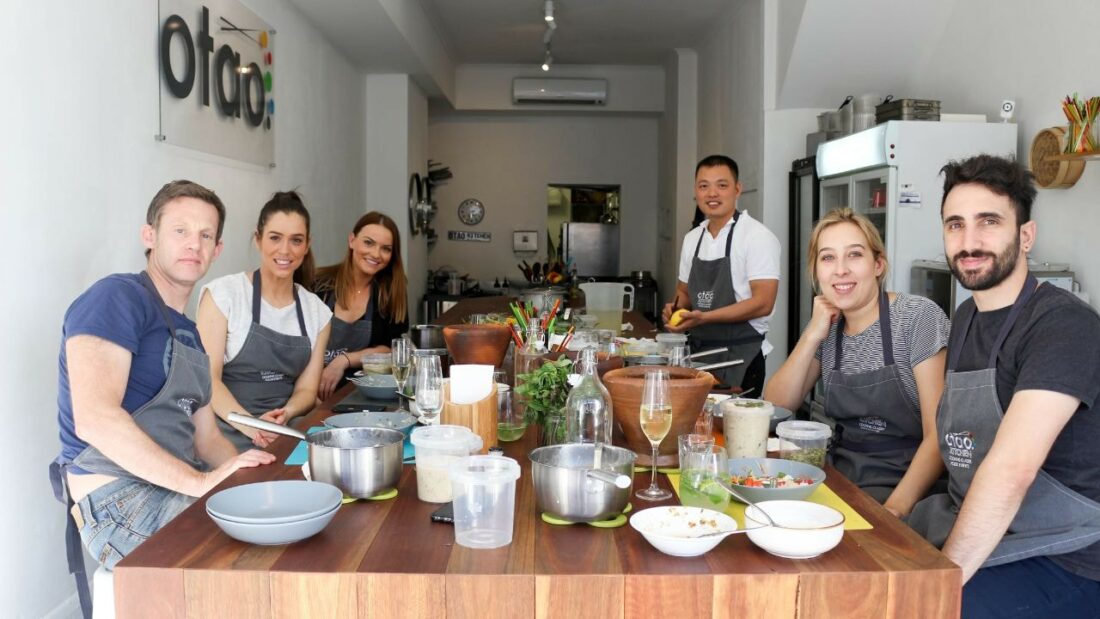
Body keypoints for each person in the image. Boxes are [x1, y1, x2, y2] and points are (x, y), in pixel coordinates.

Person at [50, 181, 276, 614]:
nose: (194, 243)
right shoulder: (116, 297)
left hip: (171, 489)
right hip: (117, 499)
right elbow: (94, 417)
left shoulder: (190, 332)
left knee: (275, 528)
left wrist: (247, 479)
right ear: (149, 236)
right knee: (253, 563)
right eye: (180, 230)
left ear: (217, 248)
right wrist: (198, 483)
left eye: (205, 235)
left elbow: (207, 441)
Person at [905, 155, 1100, 617]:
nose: (969, 242)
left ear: (1025, 235)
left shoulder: (1062, 324)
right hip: (983, 530)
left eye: (988, 222)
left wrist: (939, 585)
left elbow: (1011, 470)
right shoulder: (966, 318)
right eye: (955, 225)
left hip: (1063, 555)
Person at [763, 208, 949, 508]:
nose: (840, 270)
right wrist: (813, 333)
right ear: (816, 271)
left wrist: (893, 512)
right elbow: (776, 407)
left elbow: (938, 438)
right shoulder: (828, 329)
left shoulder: (916, 318)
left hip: (909, 488)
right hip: (842, 478)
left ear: (878, 264)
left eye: (854, 255)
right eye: (827, 258)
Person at [196, 191, 331, 451]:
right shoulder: (224, 295)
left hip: (286, 432)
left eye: (296, 240)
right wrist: (252, 425)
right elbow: (207, 380)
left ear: (307, 245)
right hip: (225, 432)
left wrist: (286, 414)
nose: (285, 250)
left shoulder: (317, 312)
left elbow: (306, 389)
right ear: (258, 239)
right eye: (275, 238)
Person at [662, 154, 781, 394]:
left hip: (740, 357)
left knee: (733, 430)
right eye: (704, 186)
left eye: (722, 185)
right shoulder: (692, 238)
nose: (712, 194)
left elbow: (763, 303)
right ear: (696, 192)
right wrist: (675, 309)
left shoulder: (757, 236)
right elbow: (684, 291)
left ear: (737, 190)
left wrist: (705, 317)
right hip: (697, 355)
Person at [312, 212, 409, 401]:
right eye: (369, 243)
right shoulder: (317, 285)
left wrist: (343, 360)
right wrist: (308, 395)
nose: (375, 254)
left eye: (386, 249)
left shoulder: (390, 293)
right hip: (312, 393)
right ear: (352, 240)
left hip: (362, 395)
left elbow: (393, 349)